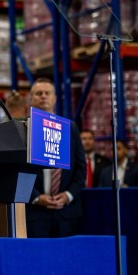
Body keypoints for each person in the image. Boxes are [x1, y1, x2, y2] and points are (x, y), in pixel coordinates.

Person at [26, 78, 86, 238]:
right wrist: (36, 197)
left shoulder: (69, 127)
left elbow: (81, 168)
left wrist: (69, 195)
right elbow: (17, 171)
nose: (43, 96)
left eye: (47, 93)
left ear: (55, 98)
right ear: (31, 98)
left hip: (67, 214)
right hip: (34, 214)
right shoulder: (23, 129)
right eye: (39, 93)